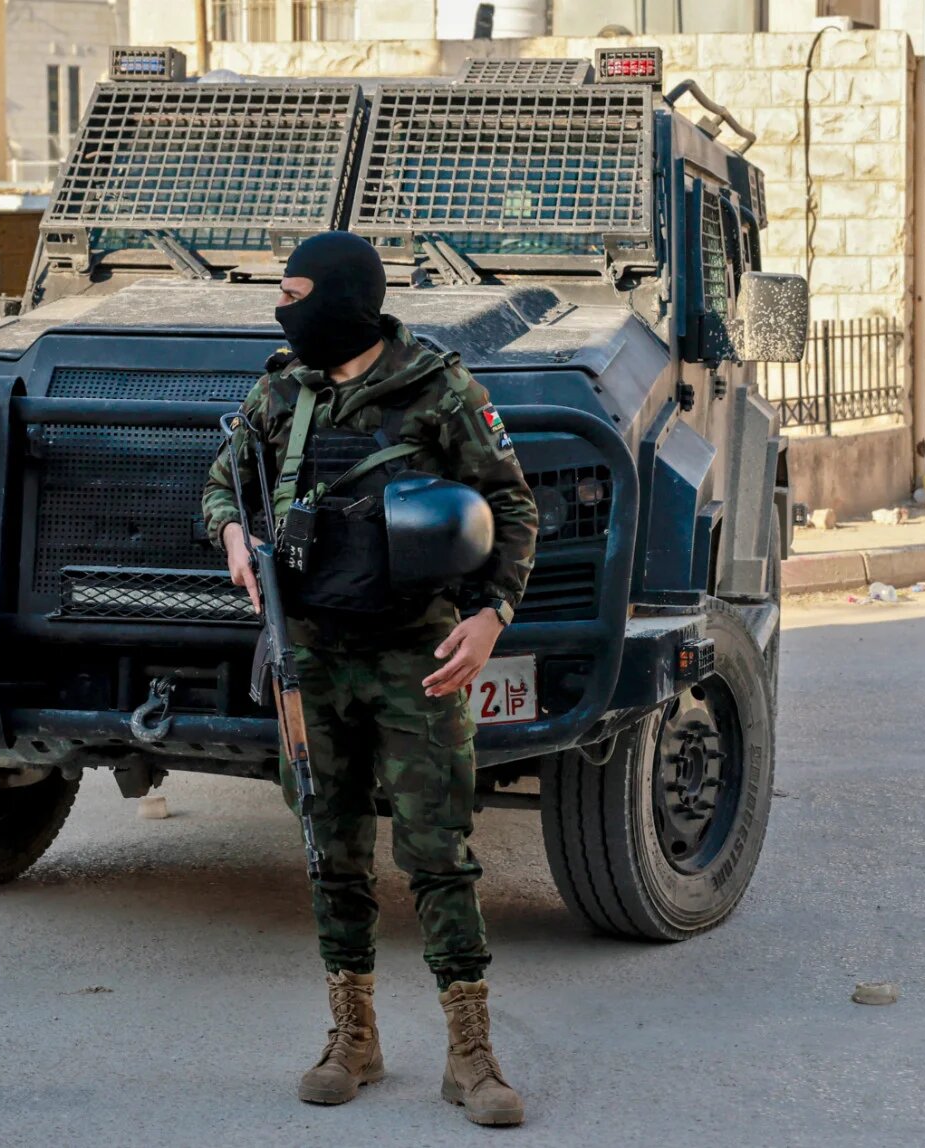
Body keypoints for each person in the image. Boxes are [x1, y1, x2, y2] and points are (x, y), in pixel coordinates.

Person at [201, 231, 539, 1125]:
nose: (284, 307)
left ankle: (471, 1053)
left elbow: (511, 503)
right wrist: (234, 537)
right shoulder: (281, 389)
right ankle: (352, 1036)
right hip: (308, 652)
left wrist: (491, 614)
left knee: (437, 850)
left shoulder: (438, 389)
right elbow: (221, 486)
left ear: (349, 299)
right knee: (330, 844)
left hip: (414, 654)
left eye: (298, 291)